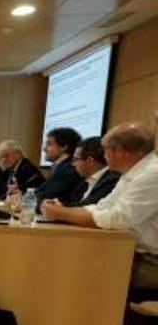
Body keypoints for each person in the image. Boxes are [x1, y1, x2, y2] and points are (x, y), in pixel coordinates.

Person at [42, 122, 158, 293]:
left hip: (151, 262)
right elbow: (102, 207)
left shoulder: (152, 174)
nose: (103, 156)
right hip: (132, 253)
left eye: (105, 150)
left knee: (79, 269)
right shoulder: (133, 173)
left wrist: (60, 213)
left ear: (119, 151)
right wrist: (60, 212)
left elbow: (117, 219)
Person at [65, 136, 120, 206]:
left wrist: (57, 209)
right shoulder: (83, 183)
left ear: (90, 161)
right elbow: (72, 203)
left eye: (75, 160)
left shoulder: (111, 180)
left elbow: (89, 208)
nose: (73, 164)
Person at [38, 127, 83, 205]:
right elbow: (40, 191)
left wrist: (27, 198)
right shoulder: (60, 167)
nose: (44, 148)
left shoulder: (69, 169)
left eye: (49, 144)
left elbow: (47, 197)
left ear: (63, 147)